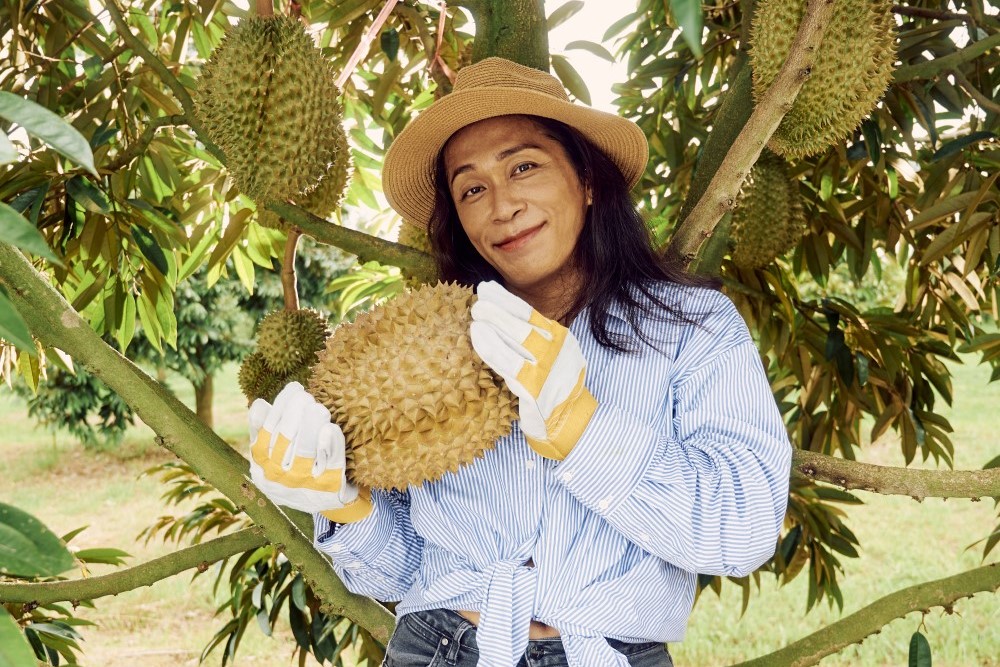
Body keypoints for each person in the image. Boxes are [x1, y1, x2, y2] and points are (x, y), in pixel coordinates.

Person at [247, 57, 792, 667]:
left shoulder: (693, 327)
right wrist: (343, 504)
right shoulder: (427, 337)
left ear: (586, 181)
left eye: (524, 167)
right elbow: (405, 574)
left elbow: (743, 531)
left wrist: (582, 428)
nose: (500, 205)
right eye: (471, 188)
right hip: (437, 648)